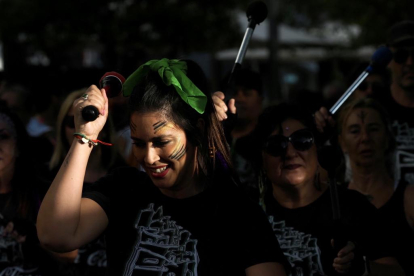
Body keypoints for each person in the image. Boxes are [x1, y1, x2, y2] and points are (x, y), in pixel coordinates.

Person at [37, 58, 288, 275]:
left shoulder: (236, 211)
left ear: (197, 130)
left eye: (162, 142)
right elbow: (55, 235)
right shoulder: (124, 188)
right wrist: (85, 136)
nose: (148, 157)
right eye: (138, 143)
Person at [254, 103, 404, 276]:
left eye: (302, 141)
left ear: (316, 148)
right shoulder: (253, 216)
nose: (290, 153)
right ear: (262, 156)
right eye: (276, 145)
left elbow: (397, 272)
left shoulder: (352, 206)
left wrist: (363, 267)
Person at [316, 20, 414, 185]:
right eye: (401, 56)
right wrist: (322, 131)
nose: (410, 63)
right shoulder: (372, 111)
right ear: (388, 58)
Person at [47, 88, 126, 275]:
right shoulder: (46, 175)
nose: (79, 126)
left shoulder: (125, 177)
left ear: (105, 125)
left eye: (86, 117)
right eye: (71, 121)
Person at [336, 97, 414, 275]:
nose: (365, 138)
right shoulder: (335, 201)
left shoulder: (409, 198)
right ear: (342, 142)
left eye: (373, 129)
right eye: (355, 131)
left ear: (387, 137)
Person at [0, 101, 52, 275]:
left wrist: (35, 236)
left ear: (18, 146)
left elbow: (70, 254)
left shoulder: (41, 193)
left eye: (3, 136)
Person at [215, 68, 264, 200]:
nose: (239, 99)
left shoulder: (267, 138)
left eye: (247, 93)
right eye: (234, 93)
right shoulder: (213, 136)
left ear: (260, 99)